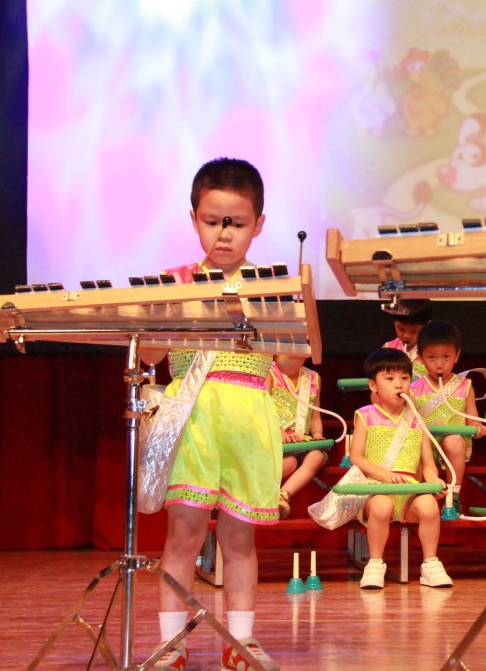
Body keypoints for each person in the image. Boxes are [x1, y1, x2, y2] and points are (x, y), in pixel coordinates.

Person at [139, 158, 280, 671]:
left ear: (257, 225)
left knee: (239, 539)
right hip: (192, 420)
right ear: (194, 219)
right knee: (183, 536)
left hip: (248, 421)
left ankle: (241, 642)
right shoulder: (176, 282)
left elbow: (293, 357)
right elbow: (149, 358)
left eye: (236, 223)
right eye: (212, 221)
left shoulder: (269, 286)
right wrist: (168, 315)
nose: (224, 233)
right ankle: (171, 644)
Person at [349, 348, 453, 589]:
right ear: (373, 385)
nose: (399, 384)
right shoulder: (365, 415)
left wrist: (433, 483)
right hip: (375, 488)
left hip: (409, 490)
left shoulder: (418, 420)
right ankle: (375, 563)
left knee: (429, 506)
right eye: (390, 378)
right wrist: (386, 476)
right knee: (382, 505)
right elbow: (356, 457)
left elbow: (428, 463)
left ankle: (431, 563)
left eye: (405, 378)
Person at [410, 320, 486, 513]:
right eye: (432, 357)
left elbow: (473, 419)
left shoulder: (465, 385)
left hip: (454, 445)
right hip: (425, 444)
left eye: (446, 357)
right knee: (414, 444)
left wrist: (478, 427)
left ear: (457, 356)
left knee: (453, 441)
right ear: (420, 357)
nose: (439, 364)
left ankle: (453, 496)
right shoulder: (413, 388)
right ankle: (416, 500)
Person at [268, 354, 328, 519]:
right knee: (289, 462)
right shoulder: (269, 371)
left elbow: (315, 415)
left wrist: (317, 435)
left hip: (302, 441)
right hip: (274, 438)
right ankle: (258, 493)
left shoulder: (314, 378)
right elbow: (261, 408)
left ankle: (282, 496)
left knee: (317, 456)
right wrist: (278, 431)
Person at [381, 298, 433, 379]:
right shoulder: (388, 349)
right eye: (401, 329)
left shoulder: (433, 350)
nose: (406, 336)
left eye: (414, 331)